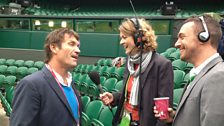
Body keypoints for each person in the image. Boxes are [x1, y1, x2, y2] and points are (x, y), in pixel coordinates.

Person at [100, 18, 174, 126]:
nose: (121, 42)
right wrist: (114, 97)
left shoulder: (161, 65)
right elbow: (127, 94)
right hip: (125, 121)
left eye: (124, 37)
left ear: (139, 38)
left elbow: (163, 111)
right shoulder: (130, 63)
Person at [154, 14, 224, 126]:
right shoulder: (201, 74)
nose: (177, 44)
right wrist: (175, 118)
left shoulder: (218, 76)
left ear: (204, 37)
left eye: (182, 37)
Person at [10, 28, 82, 126]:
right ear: (54, 47)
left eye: (78, 46)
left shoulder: (71, 84)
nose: (78, 50)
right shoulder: (31, 84)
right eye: (71, 44)